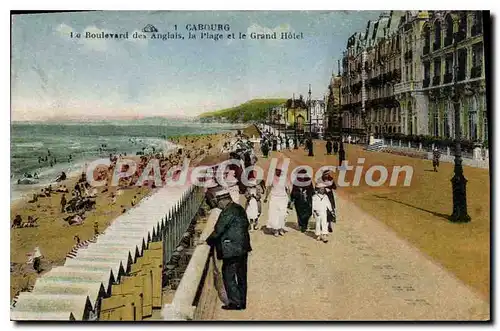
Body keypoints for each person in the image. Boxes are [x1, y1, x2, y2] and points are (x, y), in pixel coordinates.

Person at [206, 190, 251, 310]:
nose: (218, 205)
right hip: (243, 247)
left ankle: (235, 303)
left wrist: (208, 241)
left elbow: (219, 230)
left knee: (228, 275)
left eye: (218, 202)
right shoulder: (239, 208)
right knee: (242, 276)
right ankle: (242, 302)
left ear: (223, 200)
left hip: (231, 250)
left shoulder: (227, 212)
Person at [264, 168, 290, 237]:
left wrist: (289, 198)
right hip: (274, 198)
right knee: (274, 214)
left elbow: (287, 190)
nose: (278, 172)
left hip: (283, 198)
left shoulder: (284, 179)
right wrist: (266, 197)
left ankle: (281, 228)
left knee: (282, 214)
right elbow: (268, 188)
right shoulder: (271, 178)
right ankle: (275, 230)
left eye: (280, 170)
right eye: (277, 170)